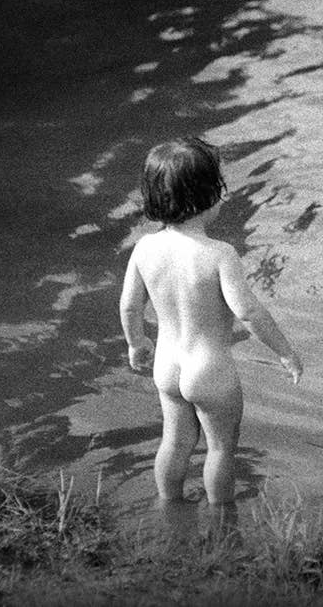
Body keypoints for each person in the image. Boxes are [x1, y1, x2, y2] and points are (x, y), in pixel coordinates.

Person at [119, 137, 303, 535]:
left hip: (167, 367)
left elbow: (130, 307)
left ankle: (169, 509)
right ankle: (223, 522)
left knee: (174, 442)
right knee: (220, 449)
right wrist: (285, 352)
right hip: (210, 369)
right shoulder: (220, 253)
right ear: (209, 196)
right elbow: (248, 312)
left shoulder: (145, 249)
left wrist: (137, 344)